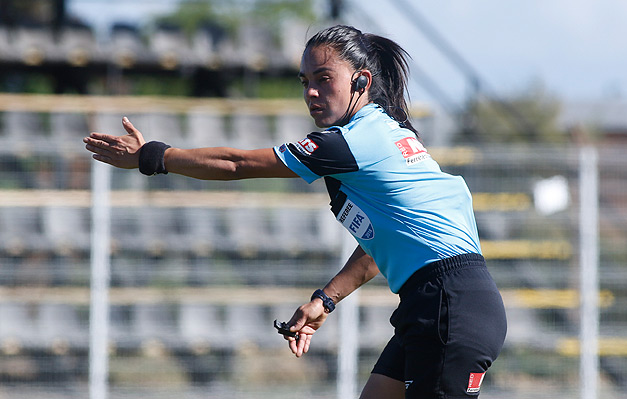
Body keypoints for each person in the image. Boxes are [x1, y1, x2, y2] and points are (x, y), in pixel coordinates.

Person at [84, 24, 506, 399]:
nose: (311, 92)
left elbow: (239, 164)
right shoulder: (386, 136)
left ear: (362, 81)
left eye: (324, 79)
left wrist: (155, 156)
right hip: (439, 303)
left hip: (447, 305)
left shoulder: (350, 143)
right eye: (305, 81)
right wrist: (325, 300)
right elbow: (381, 248)